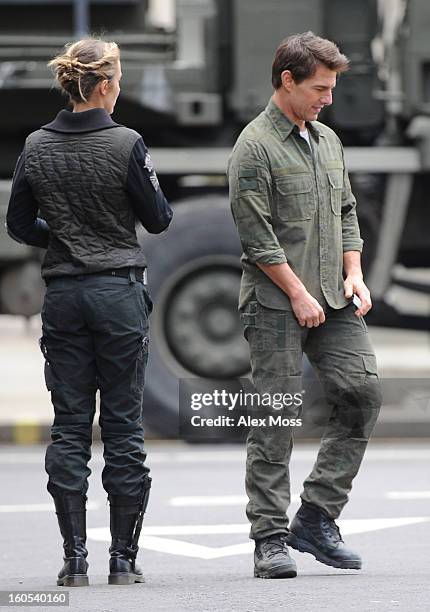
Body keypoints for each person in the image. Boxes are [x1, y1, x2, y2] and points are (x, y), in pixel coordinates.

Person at [6, 37, 172, 586]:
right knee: (123, 425)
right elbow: (159, 219)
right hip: (118, 292)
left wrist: (63, 234)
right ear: (103, 86)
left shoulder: (36, 145)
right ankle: (122, 560)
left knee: (71, 426)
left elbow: (19, 224)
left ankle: (73, 558)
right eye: (118, 79)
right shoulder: (126, 142)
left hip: (64, 296)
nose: (119, 88)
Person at [228, 31, 382, 579]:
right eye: (320, 88)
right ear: (287, 82)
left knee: (361, 394)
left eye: (332, 88)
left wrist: (354, 272)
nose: (329, 99)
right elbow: (257, 236)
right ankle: (269, 538)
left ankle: (316, 517)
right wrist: (296, 292)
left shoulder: (327, 140)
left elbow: (346, 210)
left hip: (334, 298)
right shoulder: (254, 147)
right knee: (275, 415)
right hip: (276, 302)